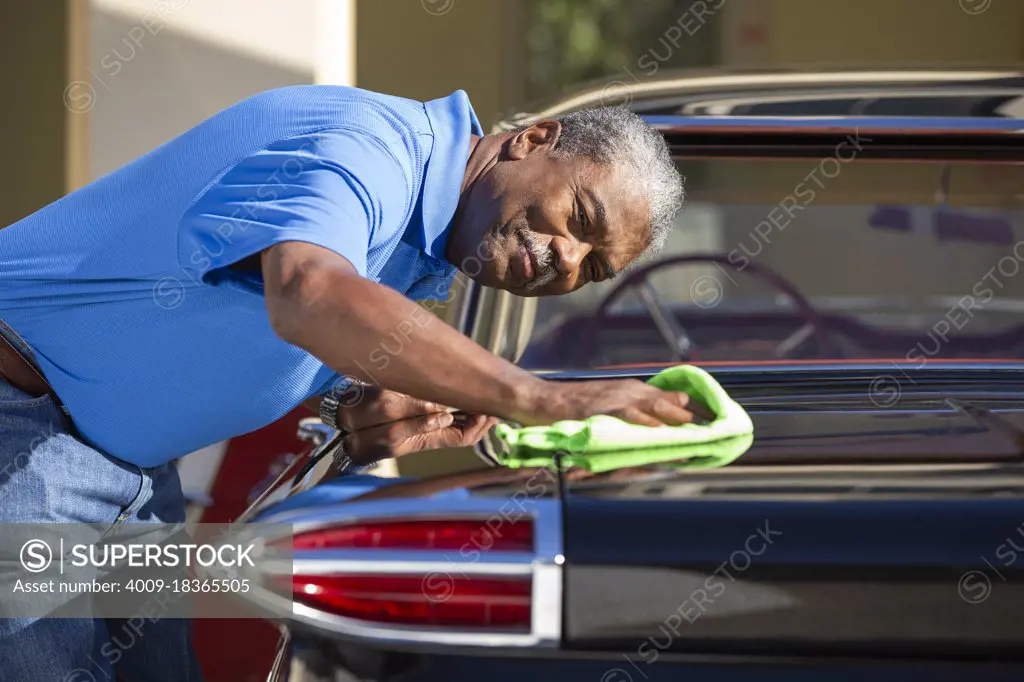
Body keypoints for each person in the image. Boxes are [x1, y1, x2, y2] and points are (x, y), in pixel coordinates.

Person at [0, 84, 703, 680]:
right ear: (534, 139)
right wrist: (539, 397)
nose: (565, 259)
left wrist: (352, 407)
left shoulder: (425, 251)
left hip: (125, 470)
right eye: (580, 219)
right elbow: (307, 290)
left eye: (593, 269)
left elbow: (270, 324)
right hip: (23, 419)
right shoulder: (370, 143)